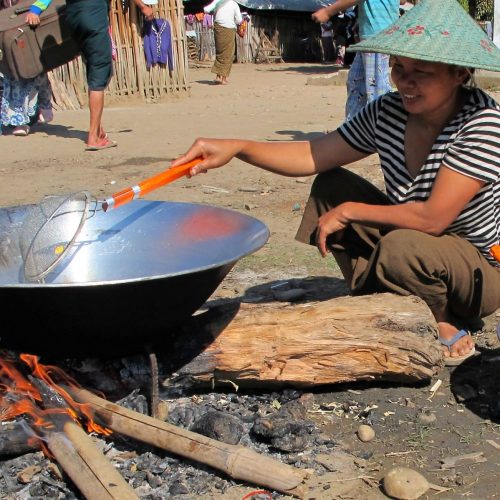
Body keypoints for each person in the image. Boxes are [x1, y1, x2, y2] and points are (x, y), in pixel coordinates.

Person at [171, 0, 500, 366]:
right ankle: (379, 293)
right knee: (330, 188)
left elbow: (432, 219)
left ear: (458, 74)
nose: (405, 81)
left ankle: (441, 318)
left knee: (402, 245)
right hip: (414, 241)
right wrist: (237, 148)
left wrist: (351, 211)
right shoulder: (388, 111)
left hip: (477, 270)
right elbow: (315, 154)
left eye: (421, 72)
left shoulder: (483, 123)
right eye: (397, 67)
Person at [64, 0, 153, 150]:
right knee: (99, 75)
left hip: (73, 18)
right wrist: (143, 6)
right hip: (93, 15)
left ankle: (98, 129)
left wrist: (36, 9)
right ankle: (93, 138)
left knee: (93, 69)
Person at [312, 0, 400, 120]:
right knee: (356, 83)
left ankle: (383, 126)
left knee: (376, 89)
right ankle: (353, 125)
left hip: (375, 35)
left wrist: (328, 11)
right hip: (375, 34)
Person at [0, 0, 54, 137]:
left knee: (31, 74)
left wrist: (35, 10)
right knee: (11, 77)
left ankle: (26, 119)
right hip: (8, 34)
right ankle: (19, 119)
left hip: (29, 31)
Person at [204, 0, 242, 85]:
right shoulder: (234, 4)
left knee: (220, 52)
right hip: (229, 29)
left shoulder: (217, 2)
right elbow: (239, 20)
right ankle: (223, 78)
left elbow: (207, 10)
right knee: (228, 53)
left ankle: (218, 76)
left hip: (218, 28)